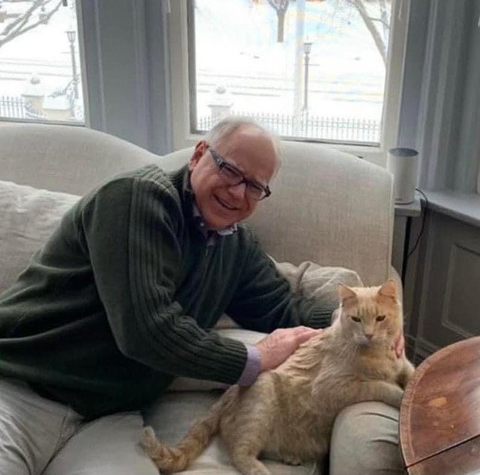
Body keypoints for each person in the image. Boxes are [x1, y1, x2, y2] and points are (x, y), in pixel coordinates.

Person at [0, 117, 403, 475]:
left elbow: (283, 308)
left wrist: (369, 322)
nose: (237, 192)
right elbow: (145, 329)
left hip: (108, 415)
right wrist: (255, 359)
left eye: (255, 186)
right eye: (230, 170)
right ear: (198, 156)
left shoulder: (234, 246)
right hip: (21, 389)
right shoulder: (135, 199)